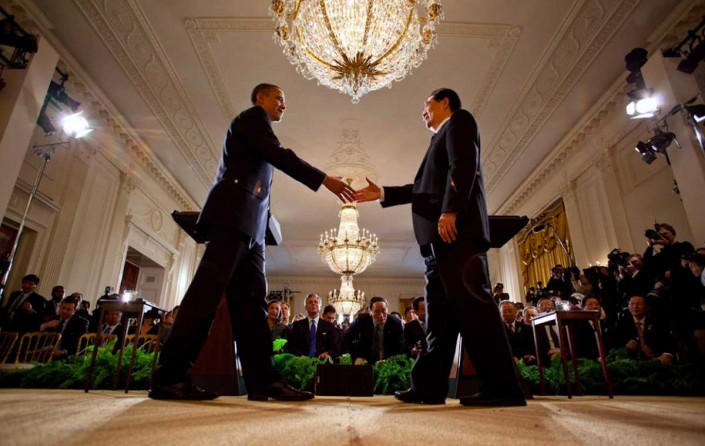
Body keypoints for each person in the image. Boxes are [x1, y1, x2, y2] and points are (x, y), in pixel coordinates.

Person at [150, 83, 354, 401]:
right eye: (279, 98)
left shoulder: (258, 128)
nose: (283, 105)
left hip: (252, 228)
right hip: (232, 218)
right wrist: (323, 179)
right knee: (204, 298)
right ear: (261, 98)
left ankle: (263, 381)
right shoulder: (252, 118)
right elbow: (279, 155)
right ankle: (169, 378)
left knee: (251, 307)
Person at [355, 88, 525, 407]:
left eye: (427, 104)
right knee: (439, 320)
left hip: (456, 233)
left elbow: (464, 165)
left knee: (476, 310)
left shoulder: (460, 121)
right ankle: (429, 388)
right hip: (437, 244)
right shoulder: (438, 139)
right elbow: (425, 188)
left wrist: (451, 209)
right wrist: (384, 193)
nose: (423, 111)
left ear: (445, 102)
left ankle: (504, 388)